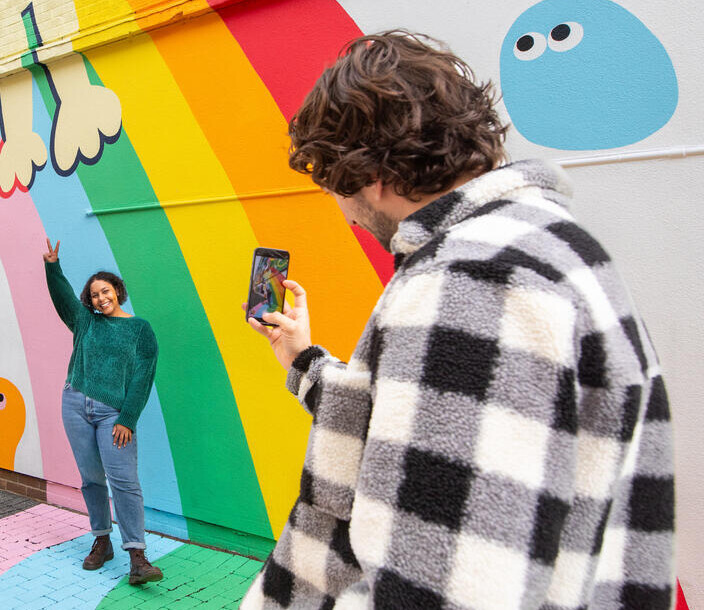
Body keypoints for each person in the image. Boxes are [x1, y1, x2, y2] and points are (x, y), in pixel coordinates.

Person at [241, 31, 675, 609]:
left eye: (334, 191)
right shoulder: (549, 242)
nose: (345, 215)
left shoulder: (471, 279)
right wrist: (304, 358)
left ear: (369, 173)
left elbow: (448, 588)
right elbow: (415, 422)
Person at [42, 238, 163, 585]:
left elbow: (143, 376)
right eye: (94, 294)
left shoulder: (141, 330)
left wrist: (128, 418)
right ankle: (101, 540)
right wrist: (53, 267)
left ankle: (137, 556)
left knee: (124, 481)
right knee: (92, 479)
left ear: (118, 291)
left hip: (114, 414)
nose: (100, 298)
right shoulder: (85, 322)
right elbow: (61, 296)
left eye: (105, 291)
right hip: (75, 404)